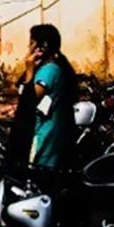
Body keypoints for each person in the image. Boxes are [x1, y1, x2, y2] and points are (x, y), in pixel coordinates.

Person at [20, 24, 78, 171]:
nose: (29, 47)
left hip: (44, 134)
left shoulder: (50, 71)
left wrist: (29, 68)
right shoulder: (48, 68)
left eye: (32, 43)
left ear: (42, 47)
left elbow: (31, 98)